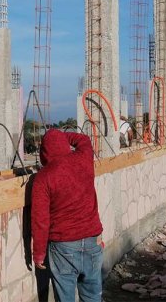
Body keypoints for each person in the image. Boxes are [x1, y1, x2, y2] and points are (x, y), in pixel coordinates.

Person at [32, 129, 103, 302]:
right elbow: (84, 139)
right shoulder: (84, 159)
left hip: (63, 246)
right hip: (93, 241)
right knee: (93, 296)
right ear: (65, 145)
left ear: (44, 152)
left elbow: (40, 220)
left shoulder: (43, 177)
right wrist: (65, 135)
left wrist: (39, 253)